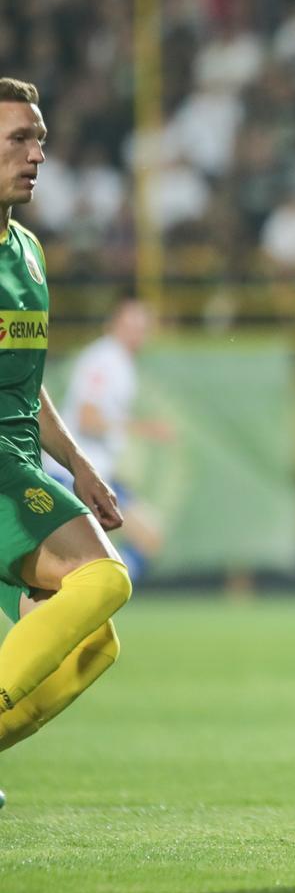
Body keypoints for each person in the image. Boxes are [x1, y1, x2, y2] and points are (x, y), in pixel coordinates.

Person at [0, 78, 132, 803]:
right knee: (107, 579)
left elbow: (28, 377)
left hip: (20, 459)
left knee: (92, 646)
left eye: (41, 137)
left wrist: (77, 464)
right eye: (19, 137)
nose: (37, 153)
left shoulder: (28, 252)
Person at [46, 296, 172, 583]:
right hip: (73, 474)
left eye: (141, 326)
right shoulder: (105, 359)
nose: (137, 333)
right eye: (129, 325)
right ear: (112, 325)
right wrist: (145, 428)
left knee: (147, 538)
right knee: (85, 561)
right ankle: (97, 595)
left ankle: (100, 593)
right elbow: (88, 418)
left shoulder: (119, 362)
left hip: (97, 473)